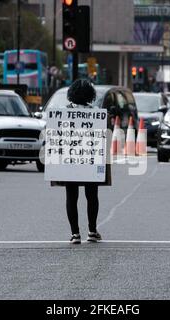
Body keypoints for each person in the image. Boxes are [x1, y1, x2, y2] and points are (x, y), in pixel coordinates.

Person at [51, 79, 112, 244]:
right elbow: (105, 134)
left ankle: (75, 234)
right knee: (91, 195)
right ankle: (92, 230)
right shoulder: (97, 113)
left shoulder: (62, 112)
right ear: (90, 96)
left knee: (71, 196)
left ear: (71, 94)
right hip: (90, 158)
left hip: (70, 158)